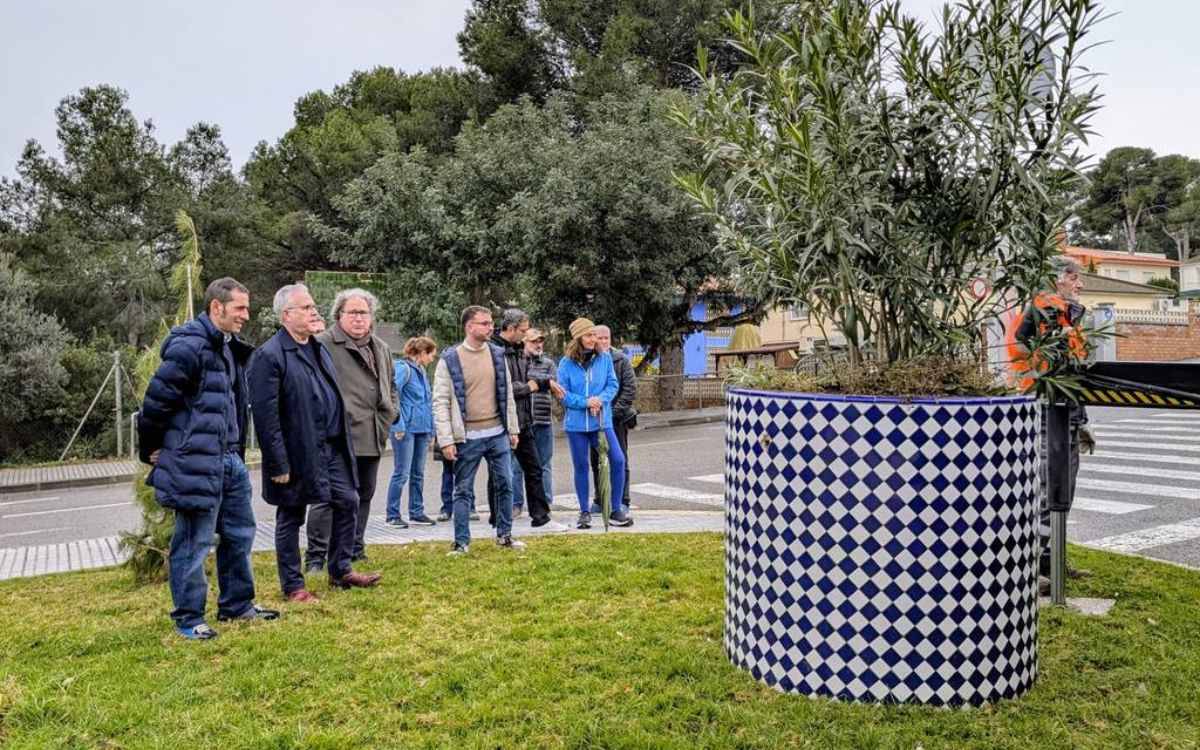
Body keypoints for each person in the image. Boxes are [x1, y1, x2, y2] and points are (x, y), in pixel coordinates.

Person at [137, 277, 279, 640]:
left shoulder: (228, 348)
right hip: (196, 462)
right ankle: (189, 618)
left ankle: (238, 605)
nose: (246, 315)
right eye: (240, 309)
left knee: (239, 535)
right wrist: (151, 450)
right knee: (194, 542)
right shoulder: (189, 348)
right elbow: (154, 404)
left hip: (231, 460)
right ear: (217, 307)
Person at [249, 283, 382, 602]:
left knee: (348, 500)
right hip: (297, 453)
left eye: (312, 307)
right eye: (306, 308)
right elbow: (266, 419)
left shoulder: (317, 347)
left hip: (332, 447)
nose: (314, 312)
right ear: (286, 315)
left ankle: (340, 569)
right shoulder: (269, 356)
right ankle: (294, 586)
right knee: (291, 515)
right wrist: (278, 463)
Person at [1008, 255, 1095, 591]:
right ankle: (1036, 568)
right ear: (1059, 278)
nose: (1080, 283)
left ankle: (1053, 560)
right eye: (1075, 277)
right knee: (1048, 492)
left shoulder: (1064, 315)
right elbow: (1031, 361)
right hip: (1046, 411)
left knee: (1063, 492)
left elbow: (1075, 373)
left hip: (1066, 412)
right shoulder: (1040, 311)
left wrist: (1082, 419)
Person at [305, 289, 399, 571]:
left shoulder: (380, 347)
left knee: (364, 495)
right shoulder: (322, 344)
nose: (359, 319)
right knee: (327, 498)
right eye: (353, 313)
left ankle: (354, 549)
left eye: (364, 313)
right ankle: (316, 557)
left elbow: (390, 386)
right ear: (339, 315)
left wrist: (390, 413)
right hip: (337, 438)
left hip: (373, 433)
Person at [432, 305, 524, 555]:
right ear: (469, 327)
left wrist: (512, 429)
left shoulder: (497, 354)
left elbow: (507, 396)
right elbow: (440, 402)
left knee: (506, 484)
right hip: (467, 437)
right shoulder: (450, 359)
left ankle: (504, 535)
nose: (490, 327)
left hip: (497, 433)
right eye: (484, 323)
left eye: (490, 322)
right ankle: (461, 543)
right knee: (462, 490)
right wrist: (446, 440)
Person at [556, 318, 632, 530]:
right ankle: (584, 511)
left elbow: (612, 384)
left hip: (601, 422)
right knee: (581, 466)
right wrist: (585, 402)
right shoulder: (565, 363)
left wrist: (600, 400)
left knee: (617, 460)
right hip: (576, 426)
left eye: (594, 335)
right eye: (588, 335)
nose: (593, 339)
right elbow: (563, 395)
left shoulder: (604, 358)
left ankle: (616, 508)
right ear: (578, 338)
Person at [487, 308, 559, 528]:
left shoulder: (518, 351)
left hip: (523, 419)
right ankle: (498, 517)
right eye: (523, 331)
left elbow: (529, 377)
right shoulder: (494, 351)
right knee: (500, 471)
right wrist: (529, 388)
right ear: (510, 328)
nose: (525, 335)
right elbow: (500, 388)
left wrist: (544, 383)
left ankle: (541, 517)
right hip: (501, 422)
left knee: (534, 468)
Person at [385, 336, 439, 527]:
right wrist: (397, 426)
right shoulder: (403, 369)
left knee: (418, 473)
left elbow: (426, 402)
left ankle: (416, 511)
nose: (432, 358)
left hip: (422, 429)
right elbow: (392, 395)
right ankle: (392, 515)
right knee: (402, 473)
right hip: (405, 429)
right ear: (422, 353)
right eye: (431, 354)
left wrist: (431, 429)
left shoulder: (422, 371)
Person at [589, 325, 636, 514]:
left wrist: (611, 413)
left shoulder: (621, 360)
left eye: (606, 338)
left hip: (616, 420)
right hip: (593, 420)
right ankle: (600, 499)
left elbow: (629, 390)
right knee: (596, 461)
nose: (603, 342)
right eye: (599, 338)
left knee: (619, 459)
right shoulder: (589, 361)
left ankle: (622, 499)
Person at [517, 327, 557, 509]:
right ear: (524, 342)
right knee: (516, 465)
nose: (538, 344)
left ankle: (545, 502)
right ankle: (516, 503)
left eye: (540, 341)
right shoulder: (517, 362)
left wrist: (536, 384)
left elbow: (553, 384)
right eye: (533, 341)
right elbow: (520, 387)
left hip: (543, 420)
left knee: (544, 463)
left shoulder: (548, 363)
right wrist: (536, 384)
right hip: (521, 421)